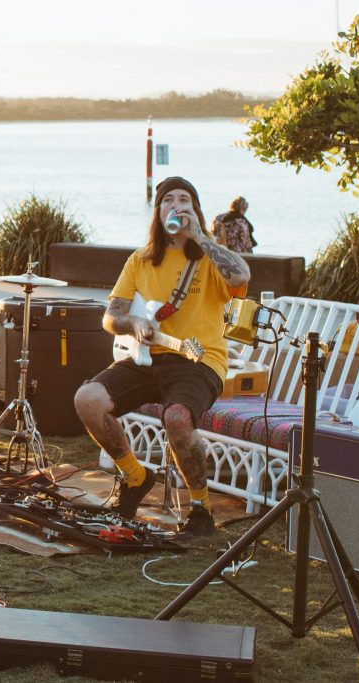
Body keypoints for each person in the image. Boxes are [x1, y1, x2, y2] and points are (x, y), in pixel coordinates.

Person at [73, 176, 250, 539]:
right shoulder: (140, 260)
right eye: (169, 200)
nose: (177, 206)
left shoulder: (210, 259)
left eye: (185, 200)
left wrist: (200, 236)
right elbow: (110, 317)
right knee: (87, 399)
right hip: (149, 358)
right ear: (158, 212)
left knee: (177, 418)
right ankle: (136, 478)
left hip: (200, 362)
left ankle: (201, 509)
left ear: (196, 210)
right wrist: (134, 321)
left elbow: (242, 275)